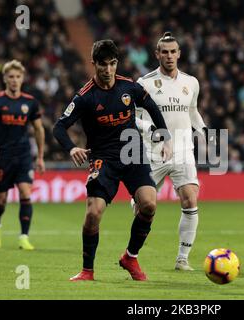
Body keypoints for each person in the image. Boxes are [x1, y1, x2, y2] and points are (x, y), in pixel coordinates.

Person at [53, 40, 172, 281]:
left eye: (112, 64)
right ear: (94, 64)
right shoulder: (85, 97)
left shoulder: (129, 87)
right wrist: (71, 148)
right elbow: (59, 127)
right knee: (93, 213)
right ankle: (87, 270)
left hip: (132, 154)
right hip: (103, 159)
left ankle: (131, 256)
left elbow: (151, 106)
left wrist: (165, 137)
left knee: (149, 204)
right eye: (103, 64)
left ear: (117, 63)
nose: (108, 70)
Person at [133, 32, 212, 271]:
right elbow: (132, 117)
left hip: (182, 149)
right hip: (152, 151)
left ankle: (182, 259)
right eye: (164, 52)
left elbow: (193, 111)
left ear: (179, 53)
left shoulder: (191, 83)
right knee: (143, 206)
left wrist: (204, 130)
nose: (169, 56)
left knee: (190, 197)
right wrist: (152, 128)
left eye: (173, 51)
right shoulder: (143, 83)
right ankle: (132, 254)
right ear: (157, 54)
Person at [0, 59, 45, 250]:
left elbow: (39, 129)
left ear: (23, 78)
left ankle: (24, 236)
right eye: (11, 77)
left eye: (18, 76)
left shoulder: (30, 102)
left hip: (23, 155)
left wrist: (40, 156)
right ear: (5, 79)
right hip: (2, 156)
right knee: (0, 201)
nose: (15, 80)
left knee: (26, 193)